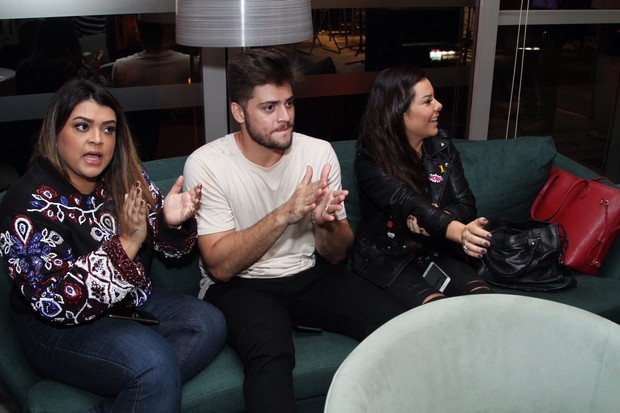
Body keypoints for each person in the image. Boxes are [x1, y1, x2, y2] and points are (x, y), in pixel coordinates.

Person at [183, 48, 405, 413]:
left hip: (308, 272)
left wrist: (325, 224)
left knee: (397, 327)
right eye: (269, 107)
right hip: (240, 285)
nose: (284, 117)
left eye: (288, 103)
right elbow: (220, 266)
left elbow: (336, 254)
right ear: (239, 112)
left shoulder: (318, 154)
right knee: (271, 353)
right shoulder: (206, 164)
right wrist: (285, 213)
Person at [0, 78, 226, 413]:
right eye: (82, 126)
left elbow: (168, 249)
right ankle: (148, 381)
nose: (97, 140)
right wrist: (126, 244)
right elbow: (55, 302)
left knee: (209, 323)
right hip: (54, 328)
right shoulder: (25, 203)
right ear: (56, 132)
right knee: (154, 363)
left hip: (127, 303)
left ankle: (128, 399)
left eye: (108, 129)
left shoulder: (125, 176)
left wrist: (169, 221)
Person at [352, 65, 492, 308]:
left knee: (483, 302)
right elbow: (406, 200)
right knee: (433, 313)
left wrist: (439, 219)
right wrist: (459, 231)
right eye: (428, 101)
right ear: (398, 111)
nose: (438, 105)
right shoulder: (369, 159)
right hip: (388, 258)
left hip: (435, 251)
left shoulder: (442, 147)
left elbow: (466, 203)